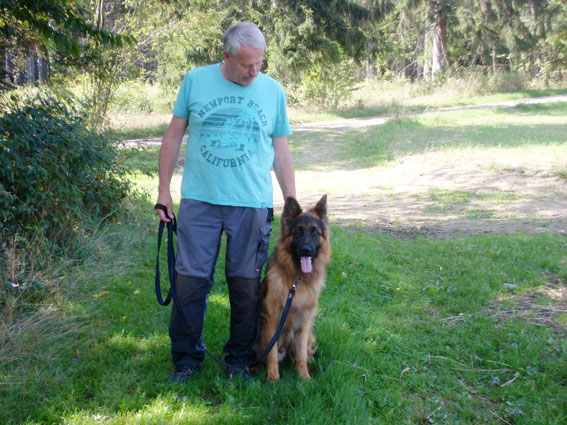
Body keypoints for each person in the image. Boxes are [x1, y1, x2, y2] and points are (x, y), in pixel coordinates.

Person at [156, 21, 295, 383]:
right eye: (247, 64)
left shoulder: (273, 91)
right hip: (199, 200)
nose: (254, 71)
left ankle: (240, 360)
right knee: (189, 281)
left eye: (259, 63)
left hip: (251, 203)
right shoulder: (195, 80)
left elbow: (281, 151)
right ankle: (187, 360)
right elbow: (172, 136)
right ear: (226, 56)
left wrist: (292, 203)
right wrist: (163, 190)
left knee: (246, 286)